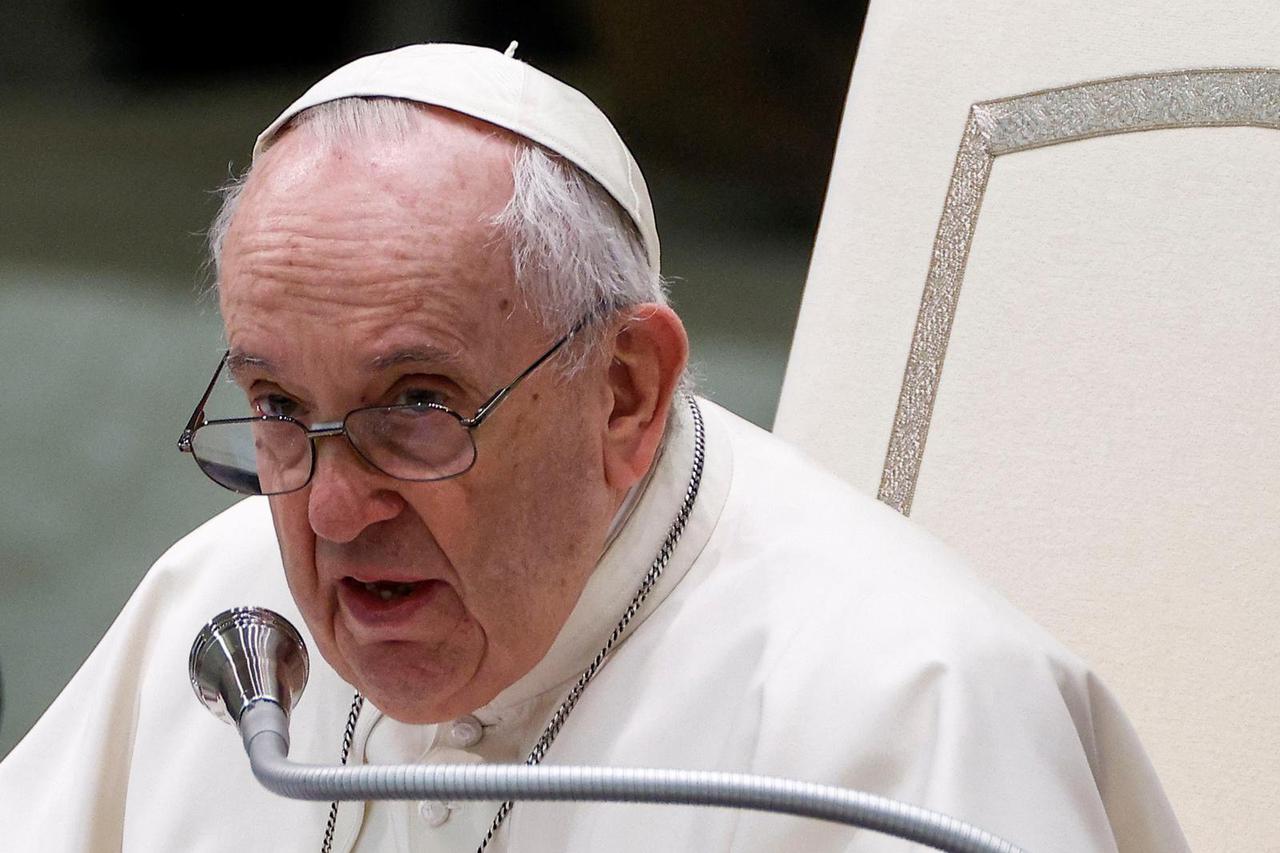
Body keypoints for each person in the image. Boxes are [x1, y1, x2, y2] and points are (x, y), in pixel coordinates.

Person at [0, 43, 1189, 852]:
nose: (330, 514)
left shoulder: (903, 708)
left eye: (414, 402)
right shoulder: (221, 614)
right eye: (274, 405)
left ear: (623, 393)